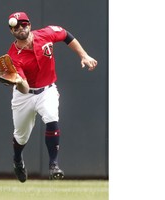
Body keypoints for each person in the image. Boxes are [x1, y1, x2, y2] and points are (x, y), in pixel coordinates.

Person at [6, 11, 97, 183]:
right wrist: (18, 81)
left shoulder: (46, 34)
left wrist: (83, 55)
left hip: (47, 90)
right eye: (15, 27)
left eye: (23, 24)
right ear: (11, 31)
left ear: (29, 25)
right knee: (21, 136)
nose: (20, 28)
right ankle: (17, 160)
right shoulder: (13, 56)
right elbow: (24, 89)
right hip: (24, 95)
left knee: (51, 117)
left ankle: (53, 164)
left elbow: (66, 35)